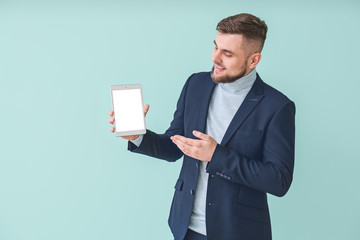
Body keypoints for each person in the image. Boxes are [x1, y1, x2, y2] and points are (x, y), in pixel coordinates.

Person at [108, 13, 295, 240]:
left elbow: (278, 180)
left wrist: (216, 155)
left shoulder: (276, 106)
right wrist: (138, 136)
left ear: (253, 60)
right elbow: (175, 146)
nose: (216, 58)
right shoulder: (196, 84)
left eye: (228, 54)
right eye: (216, 47)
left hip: (238, 232)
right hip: (185, 228)